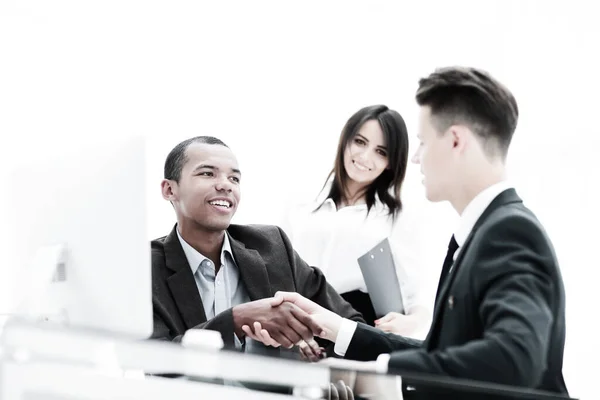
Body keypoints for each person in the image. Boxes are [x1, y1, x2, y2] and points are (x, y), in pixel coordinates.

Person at [243, 66, 569, 398]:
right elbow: (445, 353)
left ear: (456, 141)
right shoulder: (485, 232)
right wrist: (337, 327)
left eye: (424, 143)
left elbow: (514, 359)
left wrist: (379, 371)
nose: (415, 159)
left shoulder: (508, 231)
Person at [150, 135, 364, 360]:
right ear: (169, 190)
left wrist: (311, 346)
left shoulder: (273, 246)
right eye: (207, 173)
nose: (225, 185)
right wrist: (235, 319)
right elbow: (152, 358)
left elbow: (351, 328)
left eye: (234, 178)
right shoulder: (144, 268)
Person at [281, 105, 431, 336]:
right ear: (346, 140)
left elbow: (417, 290)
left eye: (381, 151)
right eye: (360, 142)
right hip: (298, 322)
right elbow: (279, 264)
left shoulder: (395, 216)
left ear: (391, 162)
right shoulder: (303, 203)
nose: (364, 157)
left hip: (356, 326)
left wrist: (412, 322)